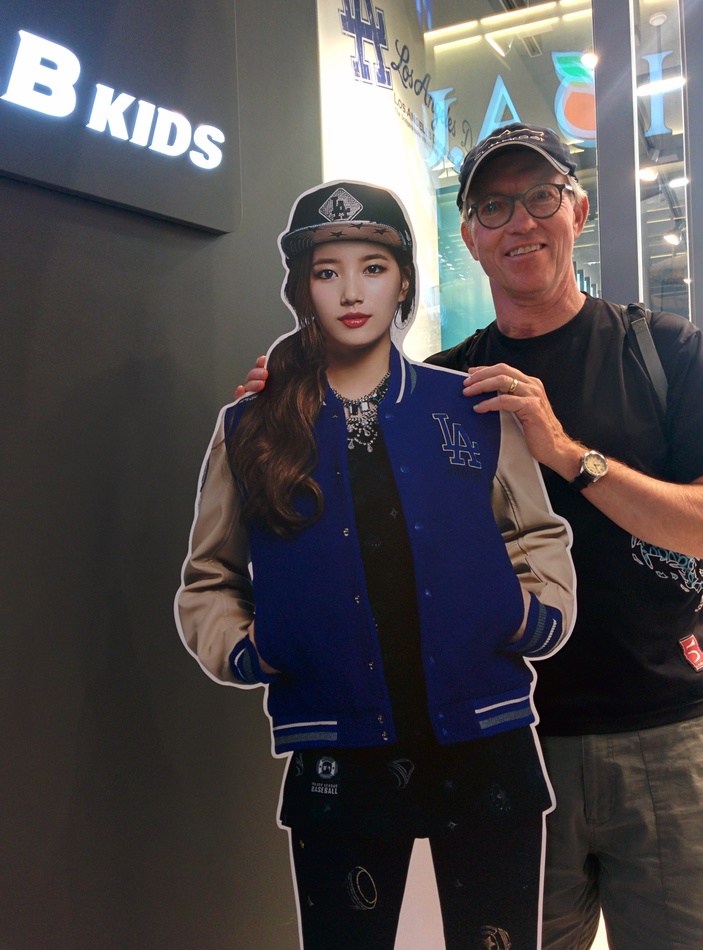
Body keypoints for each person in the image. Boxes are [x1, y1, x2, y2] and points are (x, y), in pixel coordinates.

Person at [238, 129, 703, 950]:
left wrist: (565, 454)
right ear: (469, 237)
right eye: (493, 206)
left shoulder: (664, 350)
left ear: (577, 210)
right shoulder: (441, 387)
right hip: (497, 743)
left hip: (661, 737)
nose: (519, 221)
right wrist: (286, 413)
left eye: (540, 196)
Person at [177, 180, 576, 950]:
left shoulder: (468, 407)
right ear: (301, 288)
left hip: (485, 740)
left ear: (403, 282)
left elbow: (534, 533)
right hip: (336, 750)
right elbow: (209, 575)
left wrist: (535, 616)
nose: (351, 292)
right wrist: (245, 649)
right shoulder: (250, 425)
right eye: (327, 272)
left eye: (373, 267)